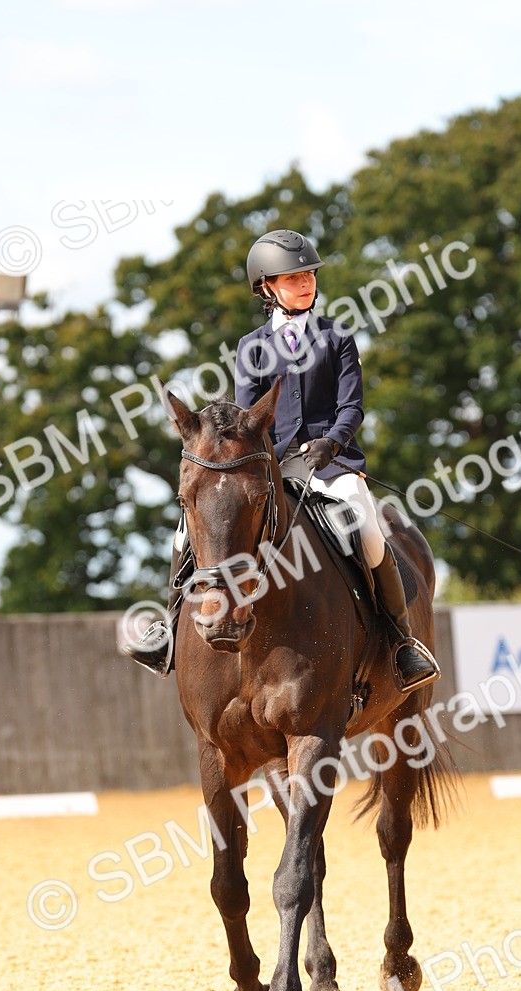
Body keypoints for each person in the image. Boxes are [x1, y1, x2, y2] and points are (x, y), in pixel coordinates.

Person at [126, 229, 440, 690]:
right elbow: (246, 416)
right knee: (187, 531)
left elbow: (352, 406)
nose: (306, 283)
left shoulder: (338, 338)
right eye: (293, 277)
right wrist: (260, 456)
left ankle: (401, 642)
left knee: (369, 531)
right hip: (270, 466)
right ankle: (168, 631)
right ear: (268, 287)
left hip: (331, 465)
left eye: (309, 274)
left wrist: (331, 442)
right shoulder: (251, 347)